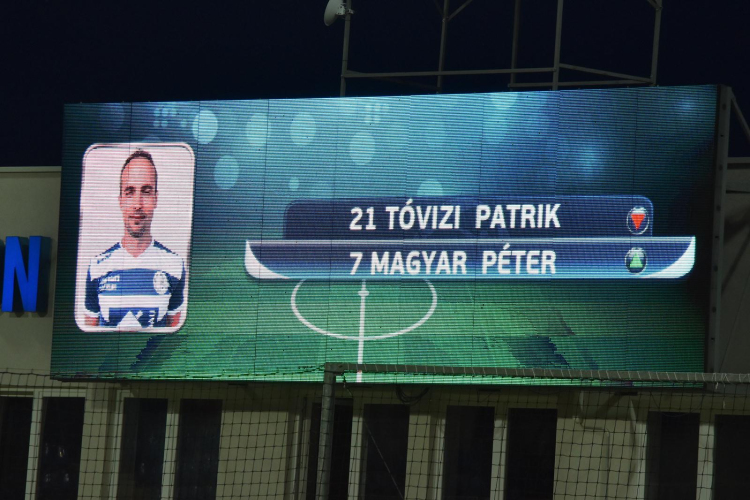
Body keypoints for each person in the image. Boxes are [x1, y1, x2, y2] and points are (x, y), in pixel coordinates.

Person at [84, 150, 185, 330]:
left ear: (155, 198)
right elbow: (87, 339)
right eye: (130, 192)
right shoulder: (97, 267)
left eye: (146, 192)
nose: (137, 204)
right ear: (120, 200)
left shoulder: (175, 266)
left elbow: (173, 341)